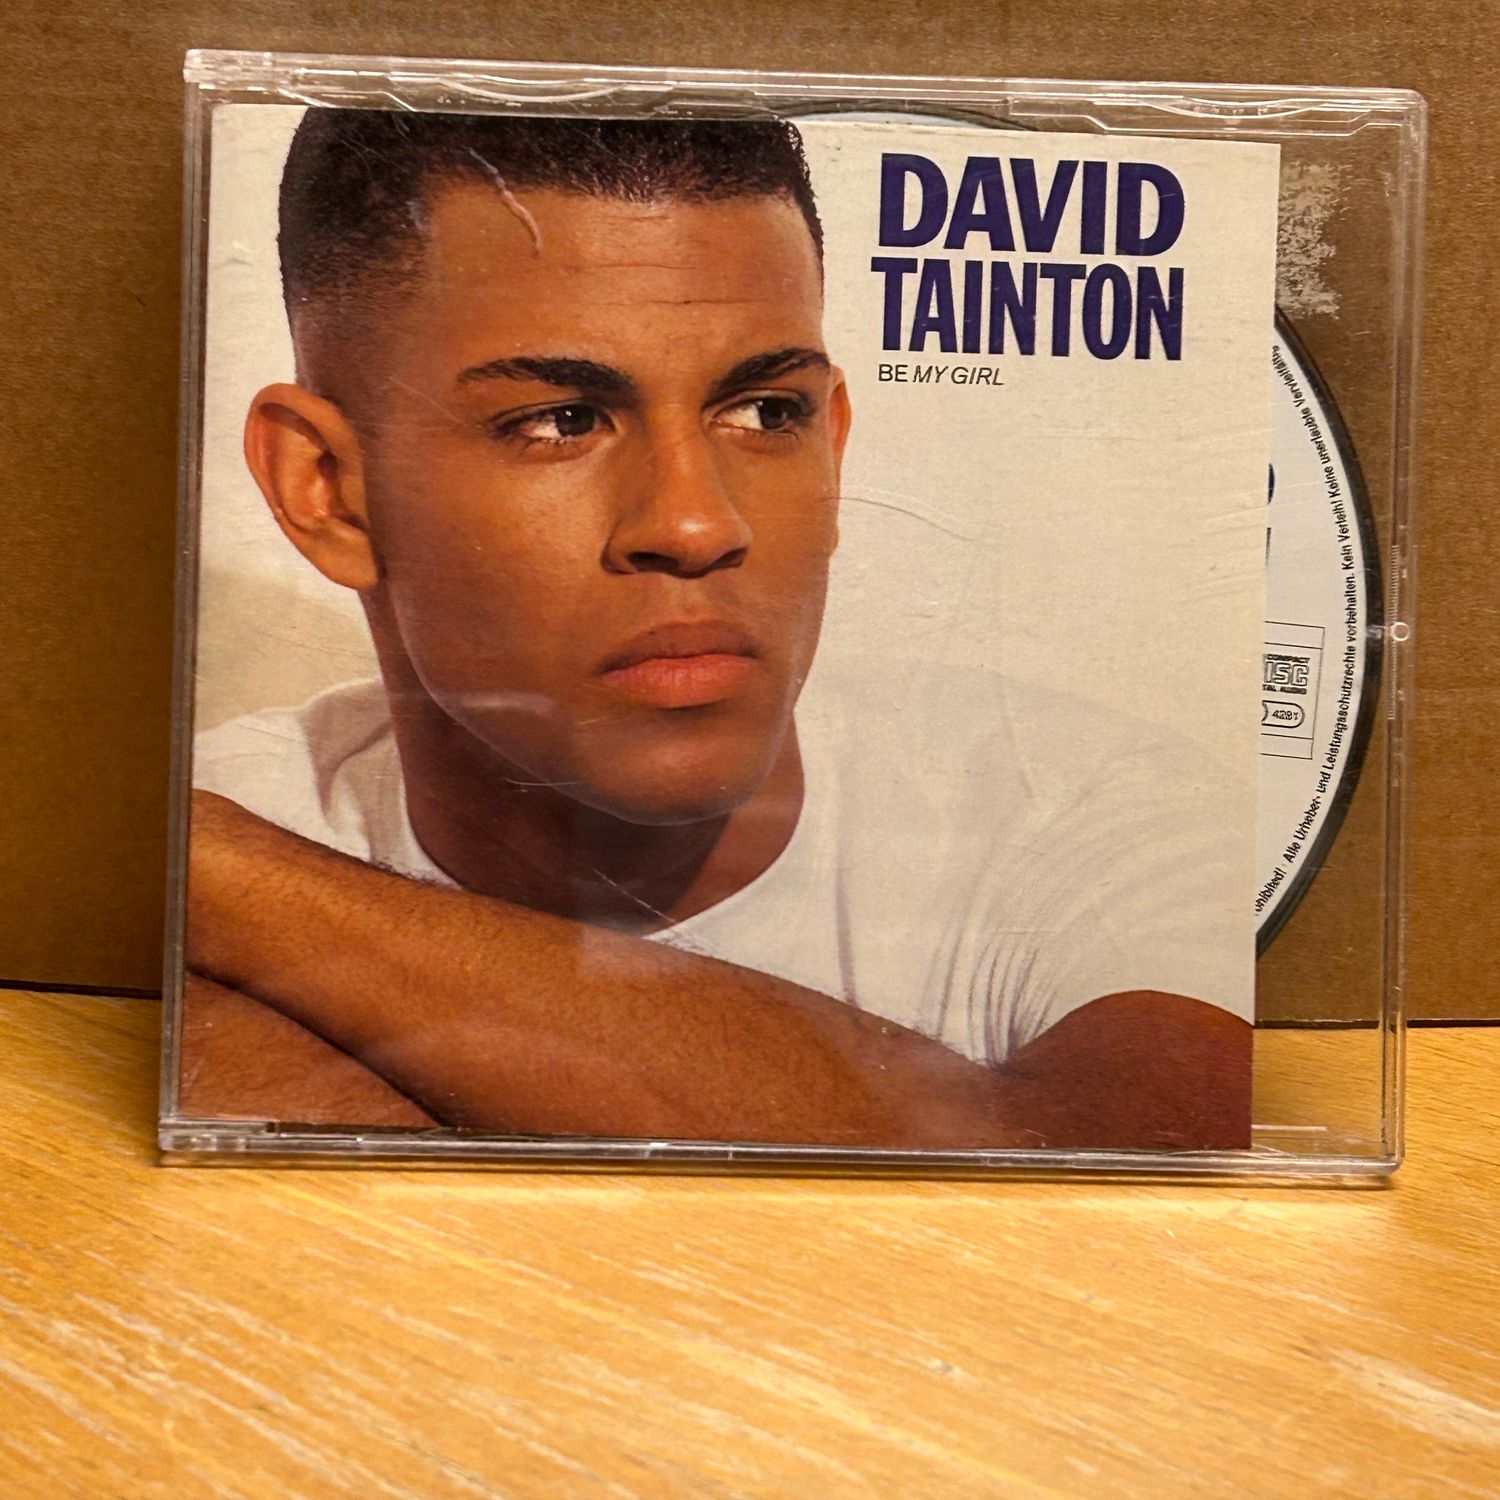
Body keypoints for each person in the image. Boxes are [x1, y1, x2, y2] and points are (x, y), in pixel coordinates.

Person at [182, 109, 1251, 1152]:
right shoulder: (241, 797)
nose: (696, 525)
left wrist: (230, 884)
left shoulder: (1088, 810)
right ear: (327, 490)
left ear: (832, 442)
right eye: (560, 421)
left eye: (766, 413)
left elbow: (1104, 1188)